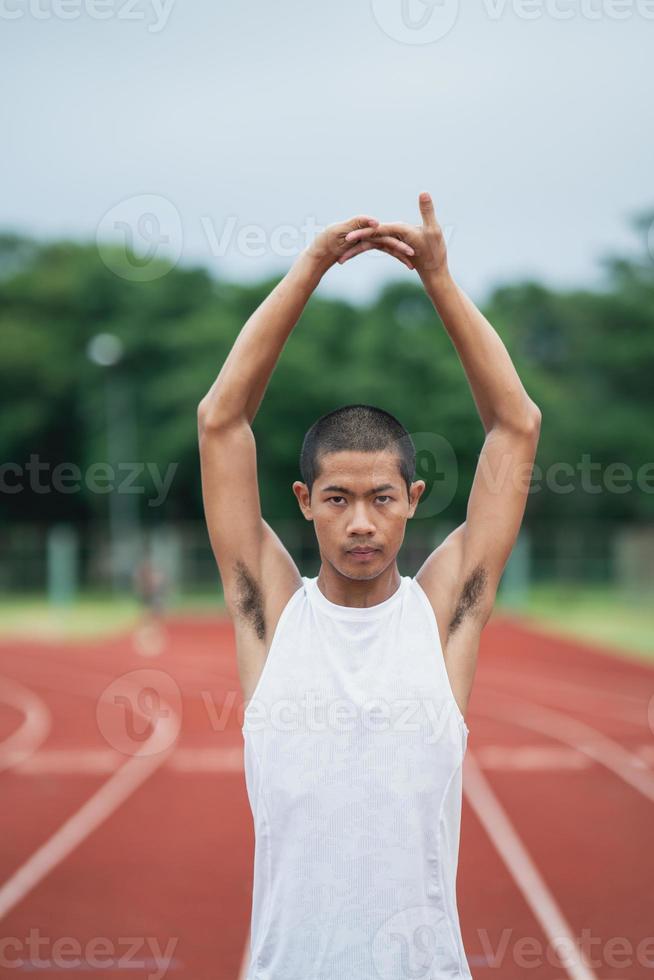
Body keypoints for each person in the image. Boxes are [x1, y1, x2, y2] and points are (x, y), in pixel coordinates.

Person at [197, 192, 541, 979]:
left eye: (381, 498)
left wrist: (440, 281)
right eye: (338, 499)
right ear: (304, 504)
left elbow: (516, 425)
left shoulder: (444, 615)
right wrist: (311, 268)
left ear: (412, 502)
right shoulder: (272, 615)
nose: (360, 523)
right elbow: (221, 421)